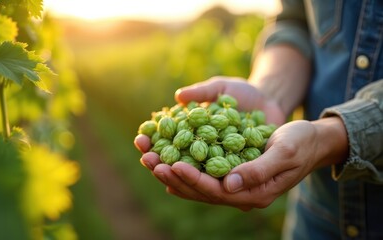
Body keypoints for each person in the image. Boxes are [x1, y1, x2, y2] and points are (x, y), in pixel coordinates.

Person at [134, 0, 383, 239]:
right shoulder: (218, 130)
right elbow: (294, 22)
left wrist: (330, 136)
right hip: (317, 216)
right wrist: (270, 93)